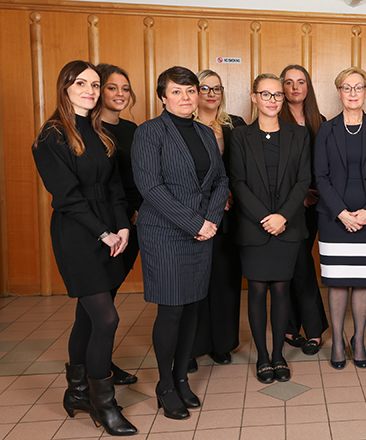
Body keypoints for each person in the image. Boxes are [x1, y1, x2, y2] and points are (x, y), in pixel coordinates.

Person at [32, 60, 137, 436]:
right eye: (82, 83)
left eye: (95, 84)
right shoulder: (51, 136)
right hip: (78, 235)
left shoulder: (96, 131)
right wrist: (104, 234)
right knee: (107, 318)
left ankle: (76, 391)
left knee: (88, 316)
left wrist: (122, 226)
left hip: (110, 228)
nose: (91, 90)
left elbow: (112, 187)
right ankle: (102, 403)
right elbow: (67, 198)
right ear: (65, 87)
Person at [131, 66, 229, 419]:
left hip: (203, 232)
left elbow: (220, 180)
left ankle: (181, 377)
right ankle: (165, 384)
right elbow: (151, 188)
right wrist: (195, 223)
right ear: (162, 97)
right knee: (171, 309)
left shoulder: (205, 132)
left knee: (191, 307)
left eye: (190, 91)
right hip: (165, 234)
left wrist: (211, 222)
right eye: (177, 91)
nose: (186, 97)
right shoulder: (149, 133)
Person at [229, 73, 311, 383]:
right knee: (257, 290)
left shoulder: (298, 135)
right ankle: (262, 357)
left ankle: (278, 356)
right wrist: (266, 217)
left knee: (281, 290)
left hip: (288, 227)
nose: (273, 100)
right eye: (266, 94)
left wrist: (283, 217)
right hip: (253, 227)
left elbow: (304, 180)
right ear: (254, 98)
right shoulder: (240, 136)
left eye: (277, 94)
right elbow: (237, 181)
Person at [315, 67, 366, 369]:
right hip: (334, 220)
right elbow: (320, 176)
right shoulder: (326, 130)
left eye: (358, 87)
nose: (352, 93)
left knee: (362, 283)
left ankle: (358, 339)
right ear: (339, 92)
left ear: (365, 91)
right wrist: (342, 214)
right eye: (346, 88)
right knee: (337, 283)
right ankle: (337, 339)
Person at [188, 69, 245, 371]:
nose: (211, 94)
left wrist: (233, 194)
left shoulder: (235, 124)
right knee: (197, 281)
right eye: (204, 88)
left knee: (225, 280)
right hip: (195, 215)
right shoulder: (184, 125)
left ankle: (223, 343)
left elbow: (245, 166)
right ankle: (194, 345)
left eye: (217, 88)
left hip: (229, 215)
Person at [278, 64, 329, 356]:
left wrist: (315, 194)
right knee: (294, 264)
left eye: (300, 82)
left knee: (300, 263)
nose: (295, 87)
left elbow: (322, 165)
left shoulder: (318, 120)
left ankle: (293, 324)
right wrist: (298, 197)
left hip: (314, 205)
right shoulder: (273, 119)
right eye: (288, 82)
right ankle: (310, 326)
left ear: (308, 87)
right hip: (285, 207)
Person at [96, 63, 140, 386]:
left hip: (132, 223)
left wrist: (137, 210)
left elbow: (139, 178)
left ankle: (100, 362)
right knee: (99, 304)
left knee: (109, 297)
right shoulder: (88, 129)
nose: (120, 94)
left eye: (125, 88)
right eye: (113, 88)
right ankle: (92, 369)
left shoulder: (132, 130)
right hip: (104, 227)